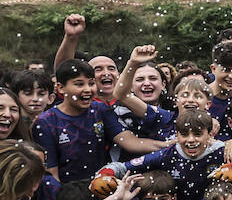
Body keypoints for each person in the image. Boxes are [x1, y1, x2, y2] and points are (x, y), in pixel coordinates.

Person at [32, 59, 166, 182]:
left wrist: (170, 145)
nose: (87, 89)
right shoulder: (46, 122)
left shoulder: (100, 109)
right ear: (61, 88)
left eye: (91, 83)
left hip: (101, 187)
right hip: (68, 193)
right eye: (79, 84)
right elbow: (51, 173)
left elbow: (130, 142)